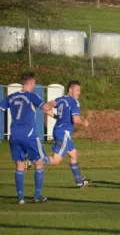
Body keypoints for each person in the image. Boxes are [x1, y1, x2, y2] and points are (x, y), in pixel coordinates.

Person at [0, 72, 52, 204]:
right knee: (40, 162)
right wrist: (54, 104)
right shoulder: (32, 96)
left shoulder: (10, 97)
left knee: (19, 165)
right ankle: (37, 195)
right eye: (33, 83)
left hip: (15, 135)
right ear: (30, 83)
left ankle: (20, 198)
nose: (34, 85)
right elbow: (45, 107)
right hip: (29, 135)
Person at [45, 80, 91, 187]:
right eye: (77, 90)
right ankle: (34, 158)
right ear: (70, 90)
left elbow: (46, 108)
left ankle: (80, 181)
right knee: (56, 161)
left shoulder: (60, 99)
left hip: (58, 130)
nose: (79, 92)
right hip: (64, 133)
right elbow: (75, 119)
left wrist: (56, 116)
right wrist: (84, 122)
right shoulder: (74, 102)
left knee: (74, 154)